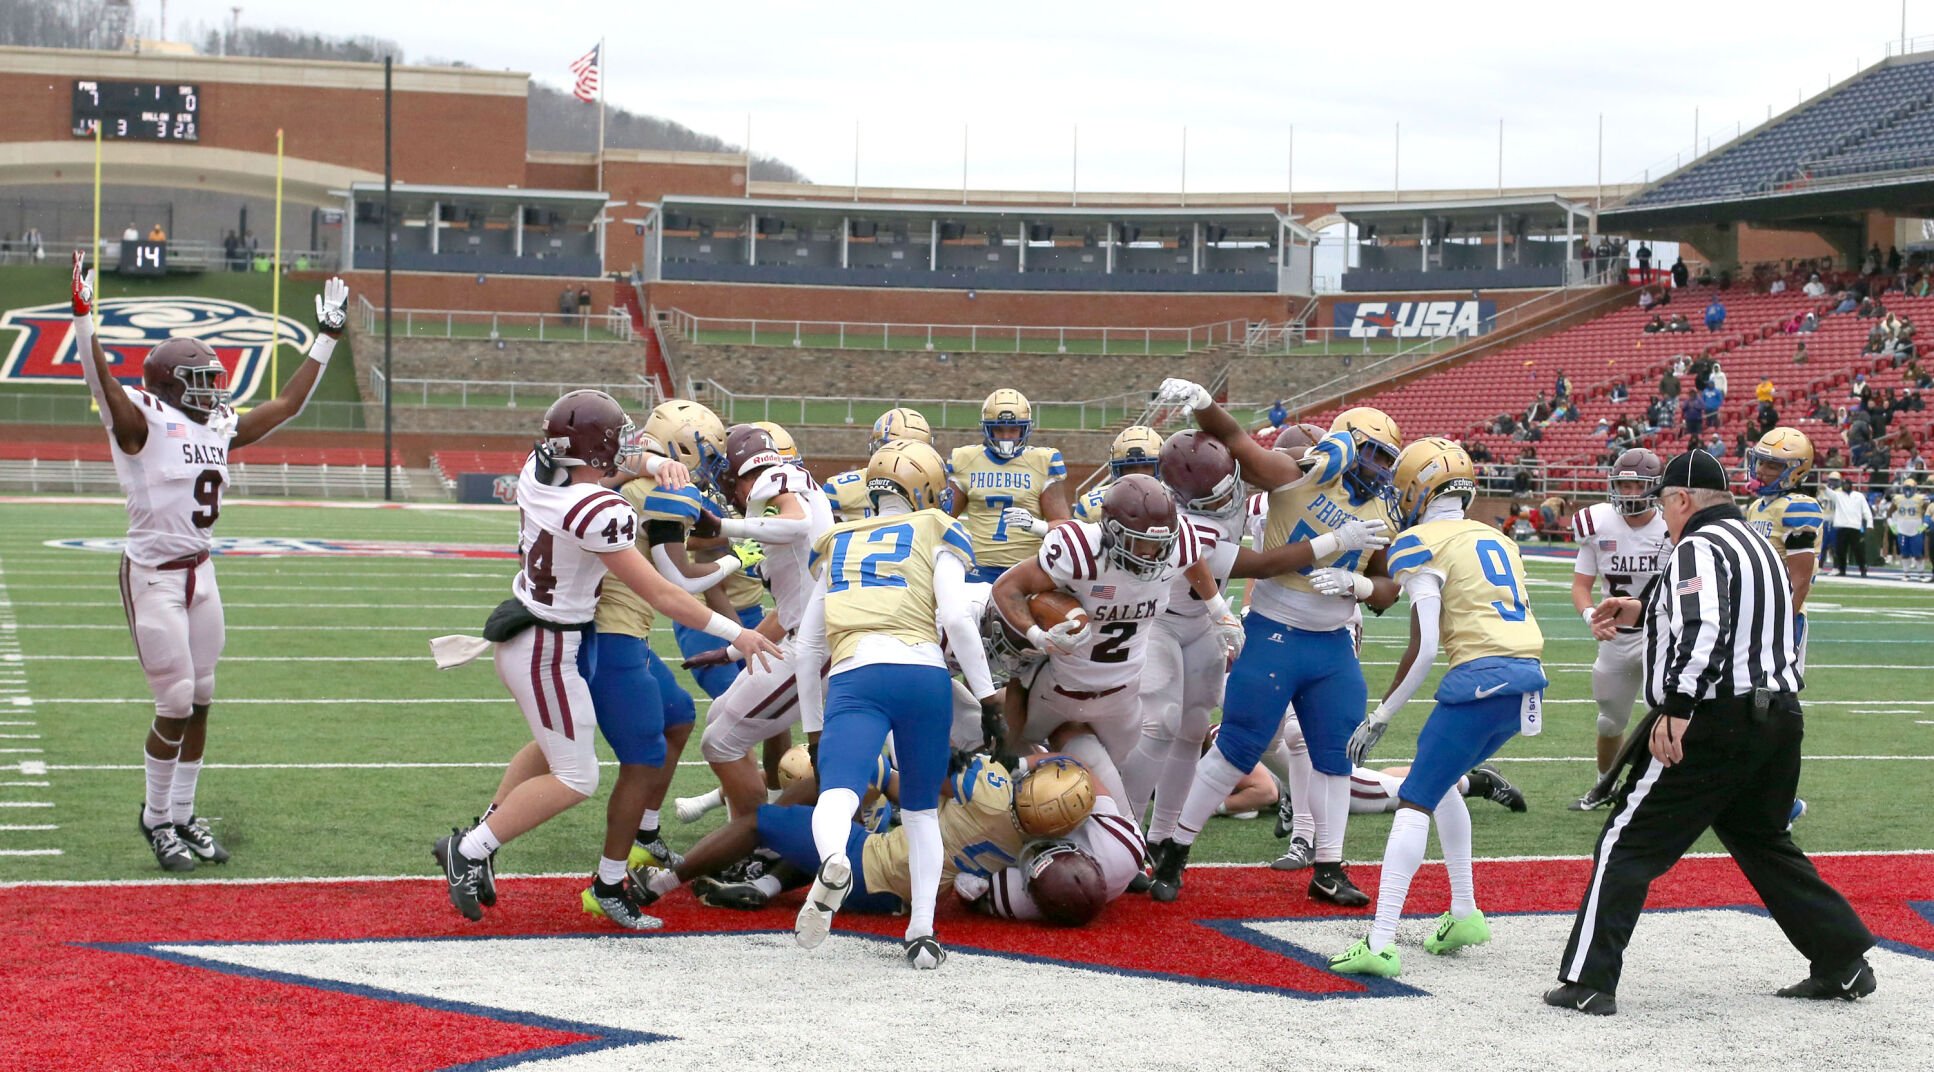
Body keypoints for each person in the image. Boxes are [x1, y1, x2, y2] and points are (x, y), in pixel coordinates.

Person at [429, 392, 780, 924]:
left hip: (538, 631)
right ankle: (476, 848)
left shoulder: (538, 475)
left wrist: (655, 463)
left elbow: (618, 468)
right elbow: (667, 589)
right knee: (579, 774)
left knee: (600, 739)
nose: (630, 448)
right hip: (555, 644)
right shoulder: (606, 509)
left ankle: (490, 840)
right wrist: (739, 629)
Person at [1549, 450, 1876, 1015]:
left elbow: (1705, 624)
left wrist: (1677, 706)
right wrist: (1636, 607)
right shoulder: (1757, 543)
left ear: (1680, 500)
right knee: (1763, 839)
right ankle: (1844, 961)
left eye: (1664, 505)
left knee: (1624, 842)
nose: (1663, 517)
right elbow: (1719, 607)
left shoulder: (1696, 546)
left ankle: (1589, 981)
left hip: (1713, 715)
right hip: (1778, 715)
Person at [68, 252, 348, 872]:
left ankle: (186, 812)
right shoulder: (142, 422)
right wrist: (85, 322)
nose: (213, 389)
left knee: (201, 699)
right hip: (154, 577)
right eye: (200, 380)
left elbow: (285, 407)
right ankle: (156, 816)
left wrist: (327, 337)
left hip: (200, 572)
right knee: (172, 702)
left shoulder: (217, 423)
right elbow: (100, 383)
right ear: (168, 385)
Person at [1147, 379, 1399, 908]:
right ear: (1346, 444)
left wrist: (1362, 586)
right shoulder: (1296, 475)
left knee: (1336, 756)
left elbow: (1387, 590)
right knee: (1238, 745)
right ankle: (1175, 850)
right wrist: (1204, 405)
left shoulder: (1381, 512)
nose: (1378, 468)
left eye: (1386, 458)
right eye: (1372, 453)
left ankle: (1328, 865)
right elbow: (1238, 440)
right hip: (1275, 630)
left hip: (1333, 644)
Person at [1328, 438, 1546, 978]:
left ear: (1416, 489)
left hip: (1481, 678)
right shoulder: (1496, 537)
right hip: (1526, 678)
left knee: (1414, 798)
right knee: (1442, 779)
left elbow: (1425, 647)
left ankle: (1380, 942)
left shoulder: (1419, 541)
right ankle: (1466, 912)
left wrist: (1381, 716)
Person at [792, 439, 1000, 969]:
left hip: (855, 673)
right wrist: (987, 697)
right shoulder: (936, 525)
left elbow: (809, 645)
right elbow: (955, 619)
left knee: (837, 792)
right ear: (927, 487)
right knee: (922, 811)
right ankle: (923, 932)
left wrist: (814, 727)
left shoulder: (836, 538)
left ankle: (835, 861)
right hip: (923, 675)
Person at [992, 474, 1230, 812]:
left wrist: (1219, 610)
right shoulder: (1080, 552)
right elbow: (1006, 588)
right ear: (1112, 532)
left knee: (1107, 785)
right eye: (1141, 543)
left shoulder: (1178, 545)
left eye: (1160, 544)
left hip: (1124, 696)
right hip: (1059, 690)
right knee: (1017, 764)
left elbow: (1192, 560)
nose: (1152, 554)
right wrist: (1038, 636)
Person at [681, 424, 834, 822]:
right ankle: (745, 834)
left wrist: (722, 526)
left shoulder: (772, 480)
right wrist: (731, 649)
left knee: (719, 743)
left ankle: (752, 844)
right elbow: (790, 607)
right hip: (807, 633)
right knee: (718, 716)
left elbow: (797, 523)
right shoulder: (788, 490)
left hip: (815, 647)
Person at [1567, 449, 1671, 810]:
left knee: (1672, 713)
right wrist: (1592, 617)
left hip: (1663, 635)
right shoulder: (1597, 523)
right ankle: (1604, 784)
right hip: (1617, 638)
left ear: (1655, 488)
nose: (1627, 493)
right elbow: (1581, 586)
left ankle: (1669, 791)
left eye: (1635, 485)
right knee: (1610, 720)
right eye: (1622, 485)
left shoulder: (1675, 525)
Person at [947, 389, 1070, 584]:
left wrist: (1036, 526)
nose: (1006, 437)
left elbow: (1065, 526)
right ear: (987, 429)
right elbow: (943, 519)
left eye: (1013, 430)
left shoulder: (1043, 461)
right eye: (999, 429)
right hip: (978, 568)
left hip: (1027, 567)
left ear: (1024, 429)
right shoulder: (965, 460)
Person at [1068, 426, 1164, 522]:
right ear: (1118, 470)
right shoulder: (1092, 506)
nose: (1138, 474)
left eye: (1146, 466)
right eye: (1130, 468)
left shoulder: (1173, 502)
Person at [1819, 470, 1872, 577]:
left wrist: (1870, 523)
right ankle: (1842, 570)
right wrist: (1824, 487)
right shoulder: (1838, 495)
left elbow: (1866, 510)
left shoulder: (1859, 496)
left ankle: (1863, 569)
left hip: (1855, 527)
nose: (1846, 486)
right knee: (1840, 551)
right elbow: (1829, 492)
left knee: (1858, 551)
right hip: (1841, 527)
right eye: (1844, 484)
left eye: (1847, 484)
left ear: (1851, 485)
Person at [1891, 478, 1929, 581]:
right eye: (1906, 488)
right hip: (1902, 530)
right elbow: (1889, 513)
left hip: (1916, 530)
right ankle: (1906, 573)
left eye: (1910, 488)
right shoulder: (1898, 498)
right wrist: (1892, 525)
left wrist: (1925, 524)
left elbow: (1929, 512)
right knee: (1905, 553)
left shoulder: (1920, 498)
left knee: (1918, 554)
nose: (1908, 490)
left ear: (1915, 488)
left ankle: (1921, 574)